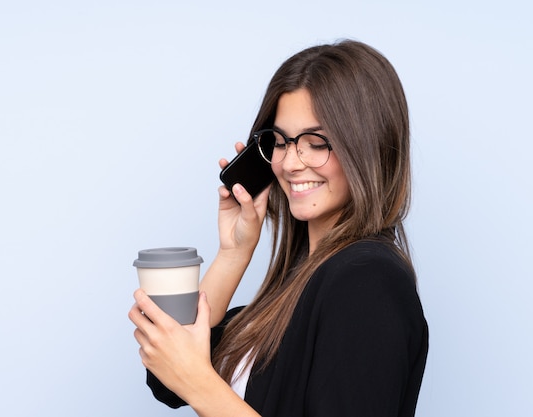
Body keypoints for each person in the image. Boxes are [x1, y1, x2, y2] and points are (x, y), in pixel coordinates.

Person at [129, 39, 428, 417]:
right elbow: (167, 378)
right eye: (281, 142)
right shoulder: (297, 286)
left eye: (316, 142)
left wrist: (199, 384)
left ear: (368, 148)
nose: (290, 163)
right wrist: (233, 253)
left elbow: (188, 379)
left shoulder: (367, 280)